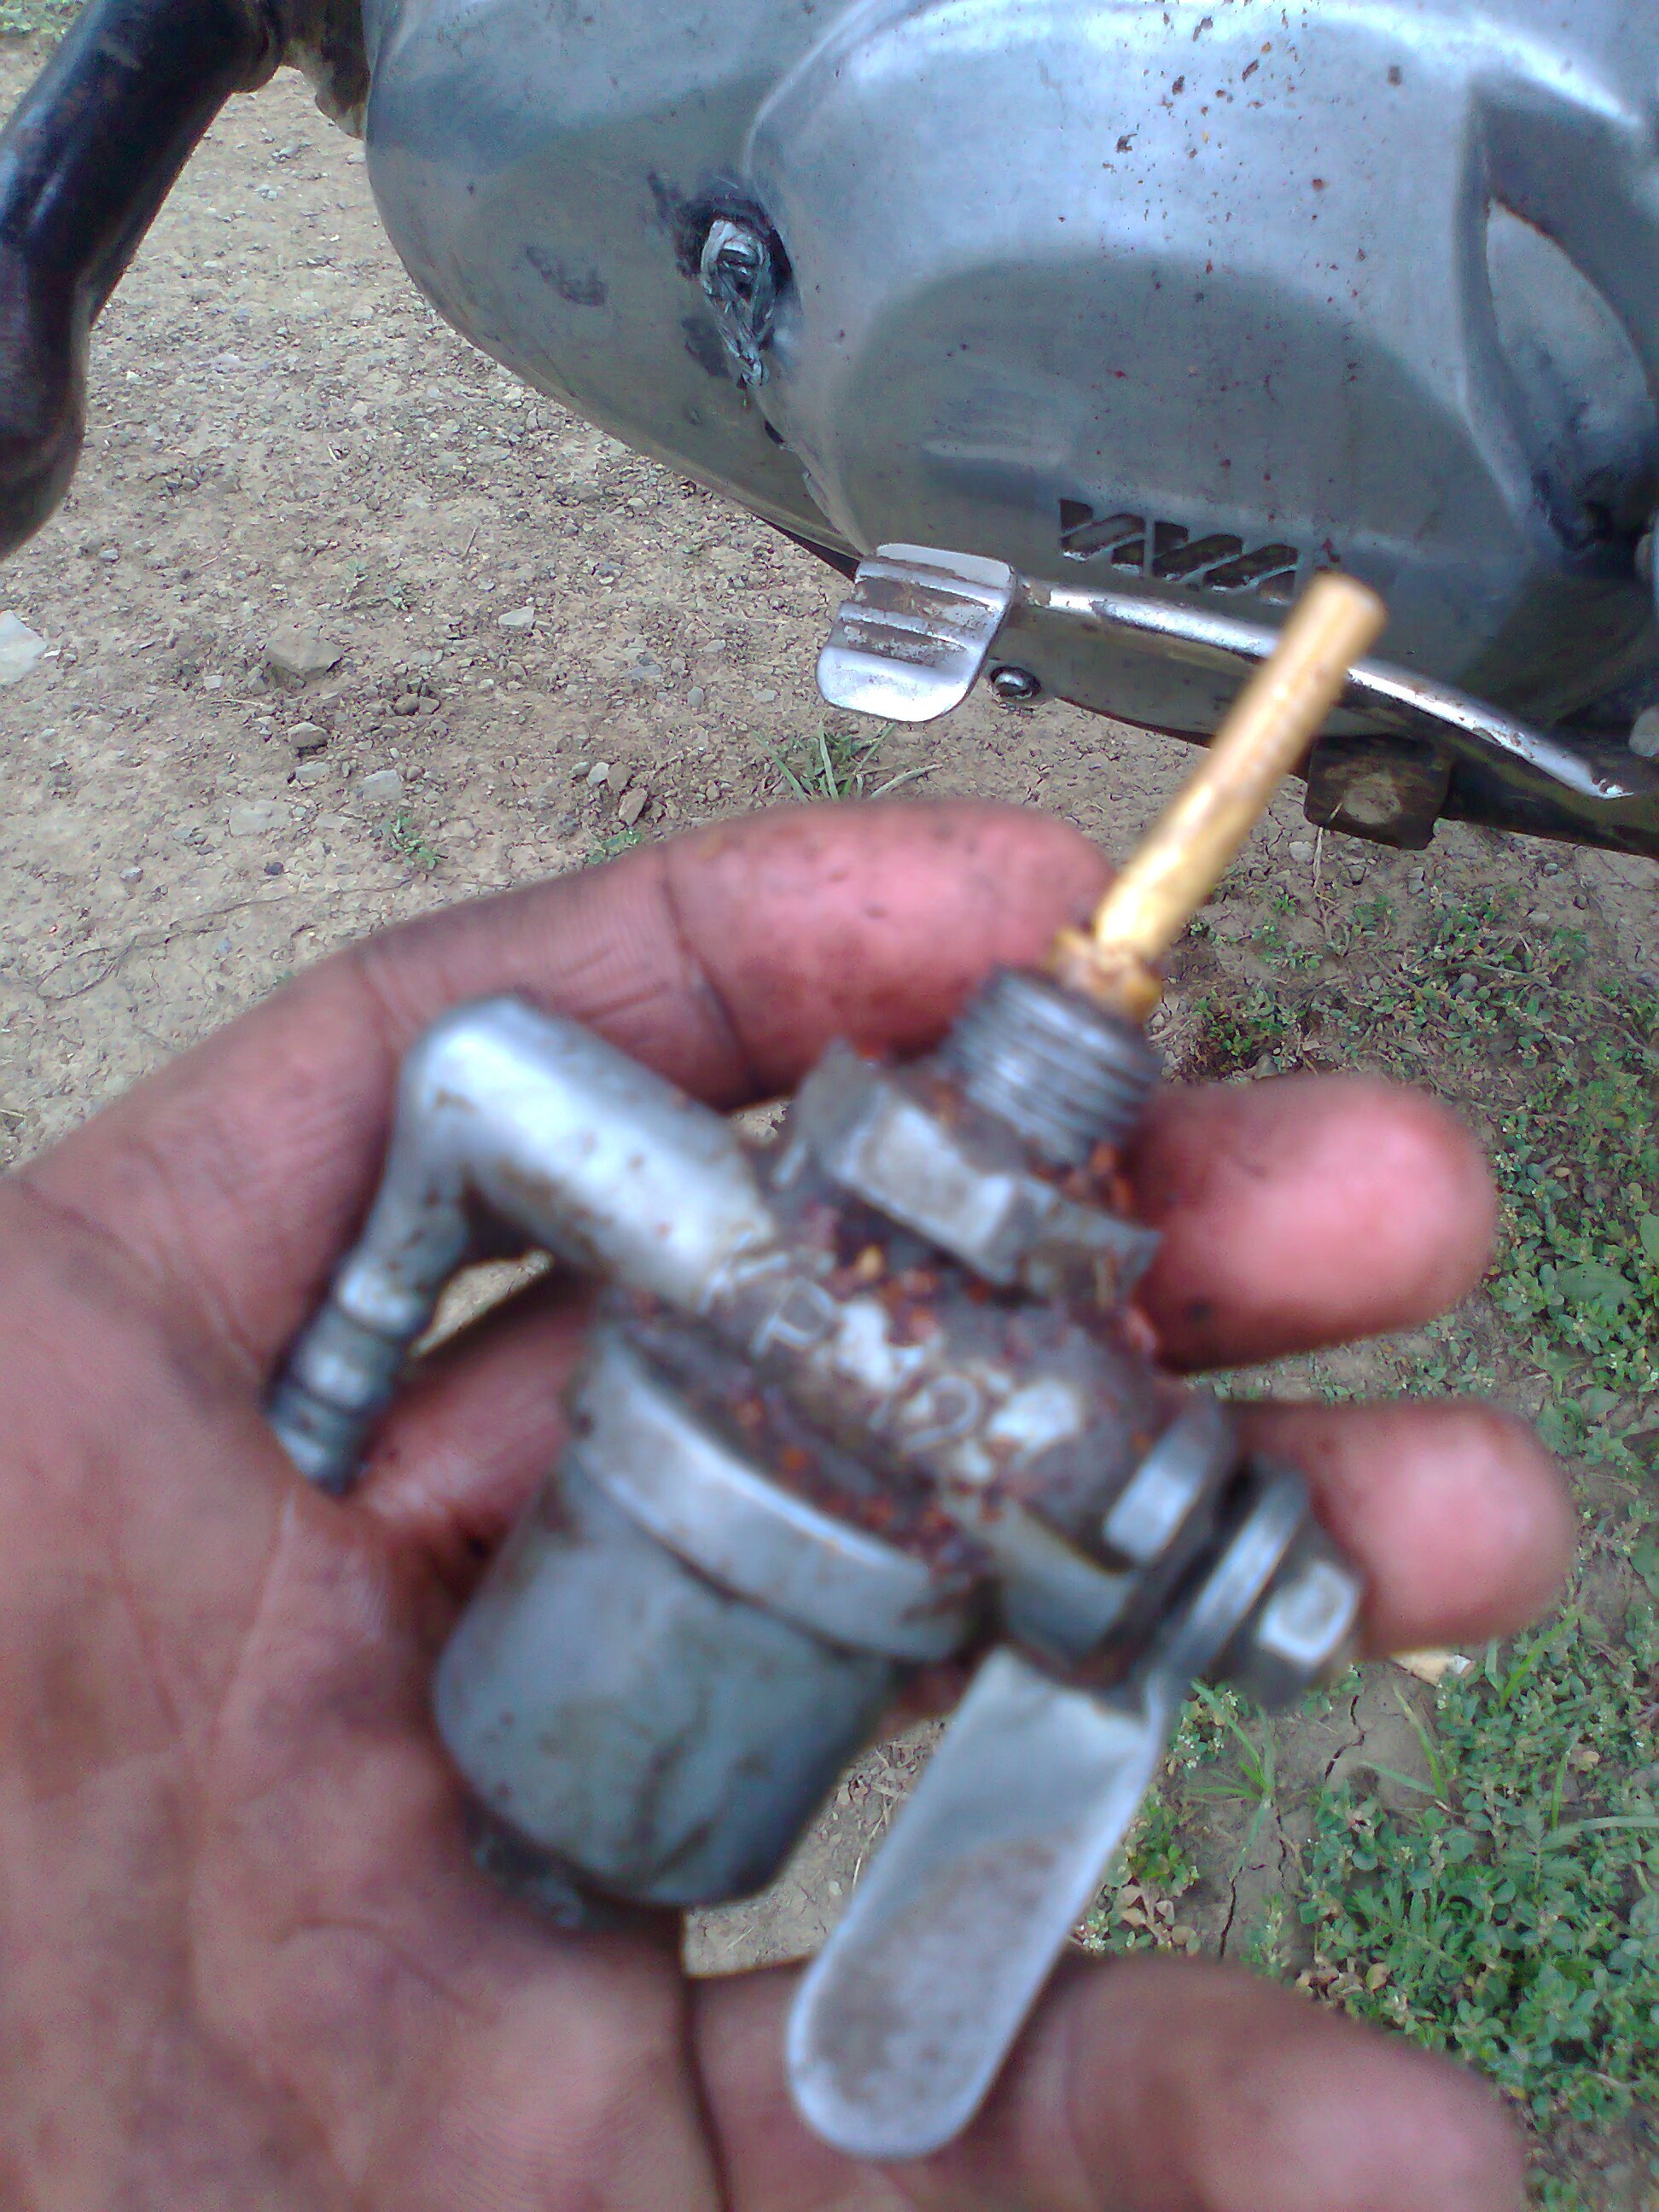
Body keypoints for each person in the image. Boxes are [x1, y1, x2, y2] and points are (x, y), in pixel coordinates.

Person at [0, 804, 1572, 2211]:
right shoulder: (1036, 1405)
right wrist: (335, 1385)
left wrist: (336, 1390)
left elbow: (471, 1076)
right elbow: (471, 1078)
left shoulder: (1022, 1383)